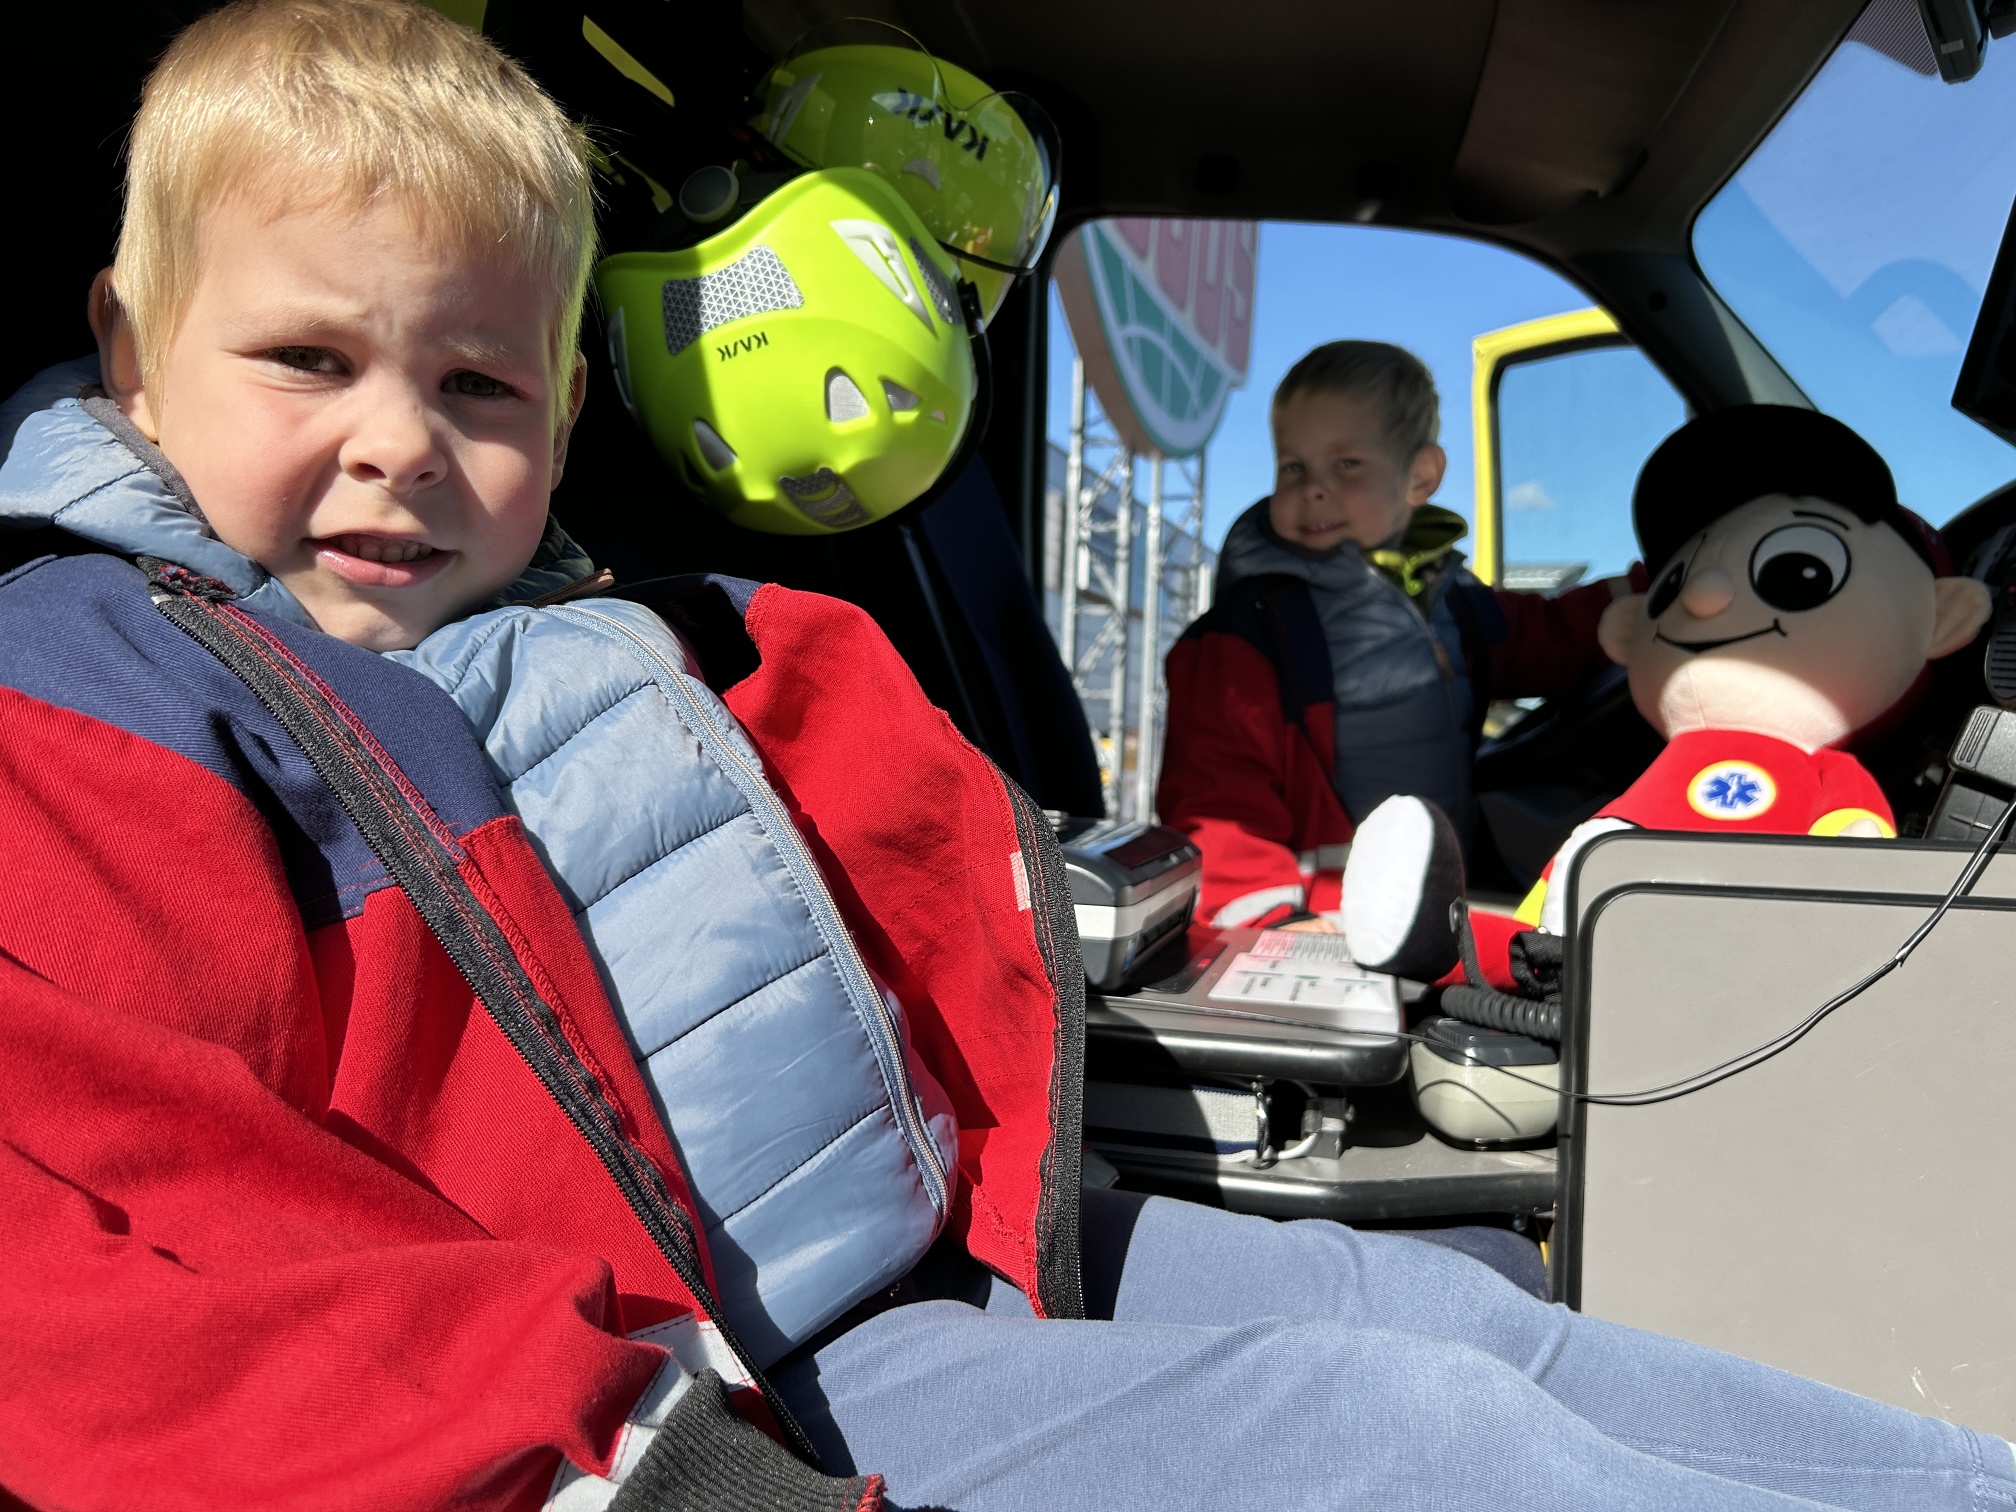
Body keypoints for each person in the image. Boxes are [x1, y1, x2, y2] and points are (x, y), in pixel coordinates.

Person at [1, 4, 2012, 1509]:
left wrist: (1243, 941)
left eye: (479, 384)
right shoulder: (92, 702)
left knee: (1467, 1318)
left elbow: (966, 910)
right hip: (704, 1397)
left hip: (948, 1241)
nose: (400, 444)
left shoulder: (644, 641)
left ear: (568, 406)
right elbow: (105, 1269)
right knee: (1397, 1434)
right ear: (132, 351)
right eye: (307, 360)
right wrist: (644, 1466)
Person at [1158, 341, 1629, 928]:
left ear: (1421, 476)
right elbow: (1215, 800)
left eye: (1346, 464)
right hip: (1325, 921)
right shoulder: (1247, 636)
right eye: (1293, 466)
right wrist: (1270, 919)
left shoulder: (1451, 601)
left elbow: (1546, 635)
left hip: (1430, 907)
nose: (1314, 488)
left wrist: (1639, 596)